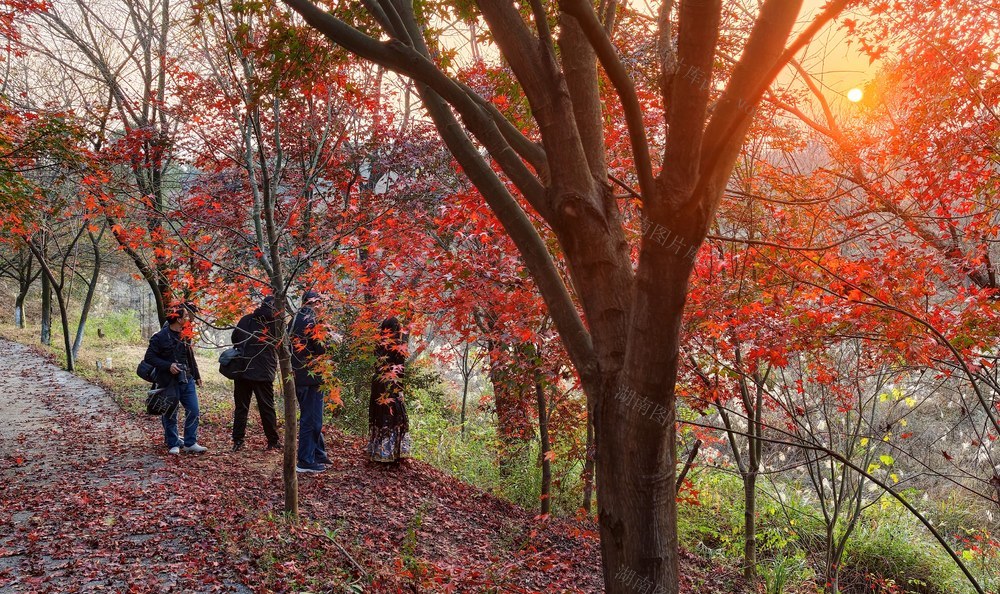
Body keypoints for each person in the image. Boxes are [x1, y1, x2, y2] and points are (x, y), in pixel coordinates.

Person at [144, 303, 207, 455]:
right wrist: (168, 365)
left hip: (187, 378)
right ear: (178, 319)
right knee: (170, 412)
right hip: (168, 381)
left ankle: (190, 442)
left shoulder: (186, 334)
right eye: (185, 316)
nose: (188, 318)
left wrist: (197, 375)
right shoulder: (159, 337)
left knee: (194, 410)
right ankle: (173, 443)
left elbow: (189, 355)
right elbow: (149, 357)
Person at [231, 296, 281, 452]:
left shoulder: (246, 319)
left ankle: (238, 441)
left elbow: (235, 338)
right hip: (263, 371)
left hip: (243, 369)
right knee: (267, 407)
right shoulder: (276, 323)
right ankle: (273, 441)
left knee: (241, 407)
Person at [291, 290, 331, 473]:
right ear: (315, 303)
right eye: (319, 303)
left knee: (311, 416)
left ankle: (318, 452)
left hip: (298, 376)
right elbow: (321, 349)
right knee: (312, 419)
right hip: (311, 376)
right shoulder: (312, 321)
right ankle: (305, 460)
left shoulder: (293, 320)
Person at [367, 316, 411, 463]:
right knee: (395, 417)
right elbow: (400, 371)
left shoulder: (378, 344)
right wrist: (399, 391)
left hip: (378, 383)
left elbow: (376, 365)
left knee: (379, 415)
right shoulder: (399, 346)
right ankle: (391, 453)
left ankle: (378, 452)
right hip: (391, 384)